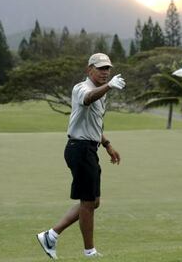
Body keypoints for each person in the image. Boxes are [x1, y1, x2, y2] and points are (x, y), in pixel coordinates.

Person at [36, 53, 126, 259]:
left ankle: (51, 235)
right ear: (89, 70)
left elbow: (93, 124)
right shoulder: (82, 88)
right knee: (88, 202)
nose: (105, 72)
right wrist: (110, 86)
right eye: (101, 68)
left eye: (108, 69)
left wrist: (107, 144)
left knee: (94, 202)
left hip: (89, 148)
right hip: (79, 149)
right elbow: (87, 99)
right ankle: (89, 251)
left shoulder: (100, 92)